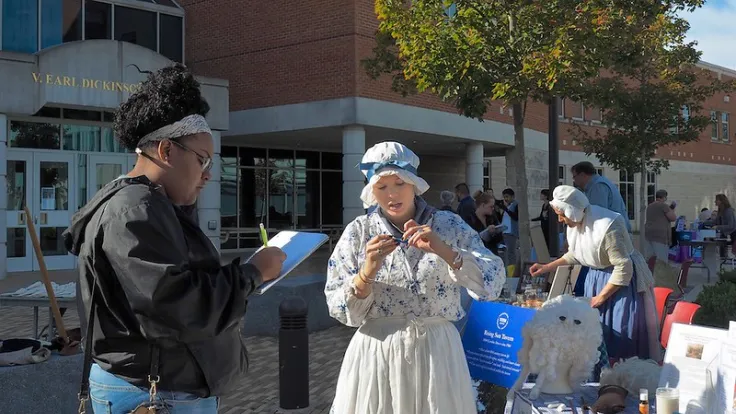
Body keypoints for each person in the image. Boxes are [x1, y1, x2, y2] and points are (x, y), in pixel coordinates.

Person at [62, 64, 286, 414]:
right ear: (166, 151)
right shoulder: (135, 211)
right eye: (203, 160)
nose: (208, 175)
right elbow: (183, 307)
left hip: (164, 387)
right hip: (154, 394)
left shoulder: (151, 204)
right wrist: (253, 272)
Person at [325, 141, 506, 414]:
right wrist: (367, 271)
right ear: (372, 191)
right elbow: (339, 308)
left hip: (437, 352)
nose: (391, 195)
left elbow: (492, 283)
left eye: (399, 183)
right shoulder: (359, 232)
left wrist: (444, 250)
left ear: (414, 184)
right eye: (381, 187)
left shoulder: (448, 224)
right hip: (378, 355)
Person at [530, 186, 660, 362]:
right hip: (596, 278)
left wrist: (600, 298)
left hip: (619, 284)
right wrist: (547, 267)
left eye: (562, 215)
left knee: (618, 331)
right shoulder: (576, 223)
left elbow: (623, 267)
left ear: (573, 211)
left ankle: (620, 379)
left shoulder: (608, 225)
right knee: (594, 333)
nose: (560, 220)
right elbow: (577, 253)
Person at [644, 190, 677, 263]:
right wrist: (672, 209)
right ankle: (660, 274)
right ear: (664, 197)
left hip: (648, 234)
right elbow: (673, 218)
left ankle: (650, 273)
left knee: (650, 258)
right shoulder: (663, 205)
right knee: (661, 260)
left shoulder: (650, 206)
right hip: (660, 236)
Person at [466, 190, 504, 255]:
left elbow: (500, 238)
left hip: (492, 253)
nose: (493, 209)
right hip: (477, 254)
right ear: (483, 205)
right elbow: (468, 239)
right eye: (491, 206)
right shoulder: (470, 219)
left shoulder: (492, 218)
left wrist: (494, 233)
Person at [500, 188, 519, 266]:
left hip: (511, 232)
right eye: (504, 197)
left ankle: (512, 270)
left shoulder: (516, 205)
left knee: (511, 252)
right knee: (506, 253)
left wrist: (506, 209)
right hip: (504, 231)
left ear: (513, 197)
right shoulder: (508, 206)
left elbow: (515, 217)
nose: (505, 199)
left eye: (507, 197)